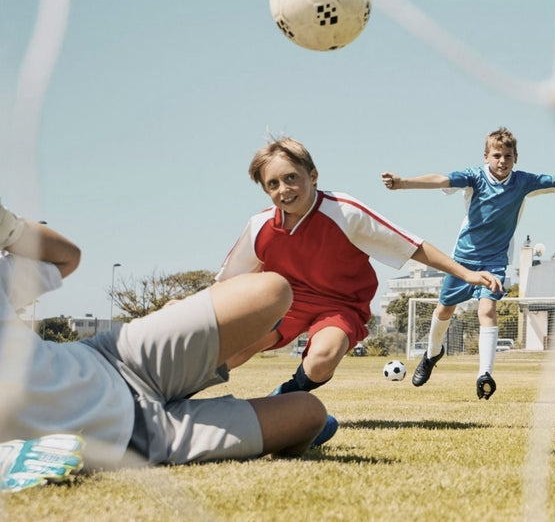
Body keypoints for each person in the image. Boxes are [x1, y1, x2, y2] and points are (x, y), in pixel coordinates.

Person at [0, 199, 329, 493]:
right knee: (310, 414)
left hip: (116, 359)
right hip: (137, 441)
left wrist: (9, 227)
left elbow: (66, 258)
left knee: (270, 292)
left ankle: (196, 362)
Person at [217, 137, 503, 416]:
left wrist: (467, 273)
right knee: (232, 349)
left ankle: (279, 402)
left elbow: (410, 245)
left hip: (339, 306)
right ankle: (178, 396)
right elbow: (224, 284)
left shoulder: (344, 212)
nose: (284, 189)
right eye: (273, 184)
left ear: (313, 175)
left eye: (292, 177)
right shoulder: (260, 226)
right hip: (287, 303)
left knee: (321, 360)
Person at [382, 127, 555, 399]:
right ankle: (432, 354)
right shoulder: (474, 176)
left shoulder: (524, 182)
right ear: (486, 156)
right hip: (463, 259)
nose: (502, 161)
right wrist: (403, 182)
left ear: (516, 157)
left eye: (508, 155)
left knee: (487, 310)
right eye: (496, 155)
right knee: (444, 310)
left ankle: (485, 374)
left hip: (495, 260)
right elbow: (440, 179)